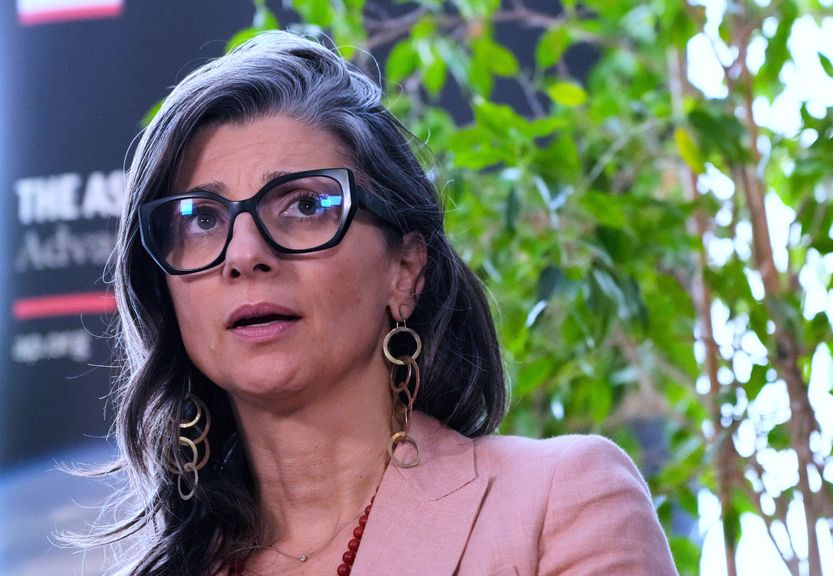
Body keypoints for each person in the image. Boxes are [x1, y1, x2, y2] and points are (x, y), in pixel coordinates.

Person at [86, 30, 677, 575]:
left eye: (305, 206)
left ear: (405, 271)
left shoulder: (561, 499)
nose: (243, 254)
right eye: (201, 219)